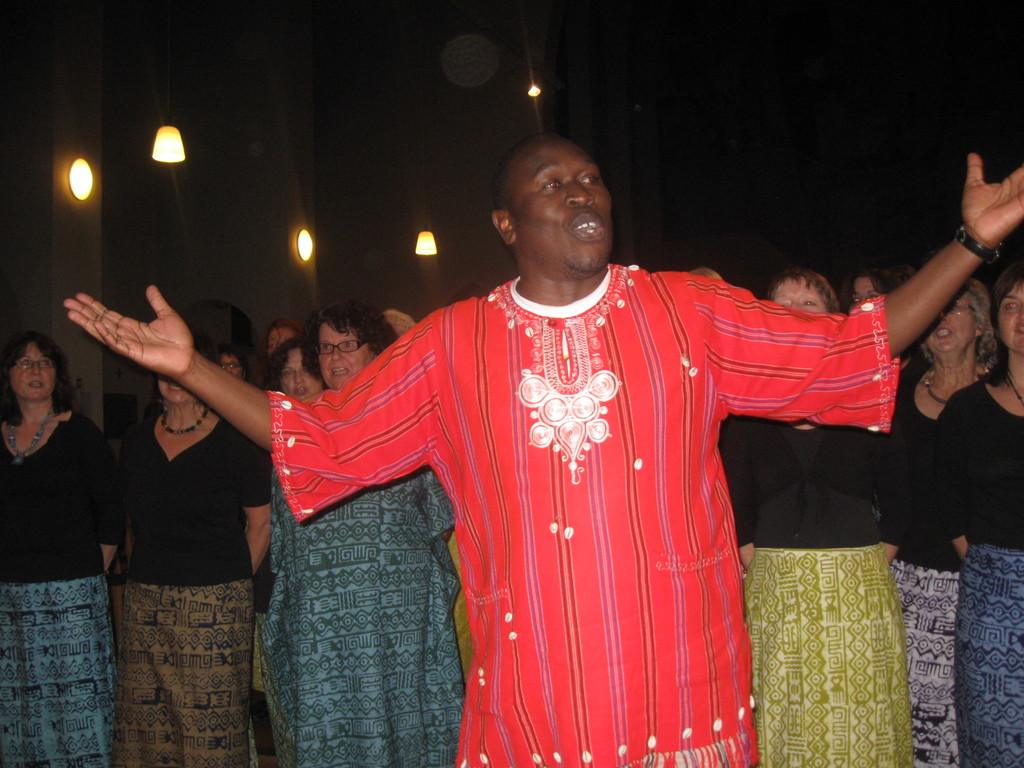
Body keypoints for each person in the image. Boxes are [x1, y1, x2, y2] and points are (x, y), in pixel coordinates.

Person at [65, 135, 1024, 768]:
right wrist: (194, 369)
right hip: (532, 718)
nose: (582, 190)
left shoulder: (687, 312)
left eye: (591, 176)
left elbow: (856, 344)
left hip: (682, 712)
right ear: (505, 223)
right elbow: (318, 435)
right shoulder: (447, 347)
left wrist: (966, 244)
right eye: (552, 182)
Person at [721, 268, 913, 767]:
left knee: (862, 728)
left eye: (807, 303)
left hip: (858, 594)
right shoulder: (744, 405)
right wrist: (756, 558)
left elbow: (901, 494)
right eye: (780, 302)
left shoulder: (865, 393)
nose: (791, 310)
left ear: (833, 321)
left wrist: (864, 565)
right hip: (776, 593)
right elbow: (732, 496)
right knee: (785, 724)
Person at [258, 300, 463, 768]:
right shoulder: (300, 427)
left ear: (376, 350)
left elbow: (439, 512)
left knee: (402, 719)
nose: (335, 358)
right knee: (328, 721)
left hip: (396, 609)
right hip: (321, 612)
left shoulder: (410, 417)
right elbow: (285, 534)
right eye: (326, 348)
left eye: (348, 345)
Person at [113, 335, 271, 768]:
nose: (173, 380)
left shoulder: (236, 438)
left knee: (209, 731)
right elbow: (131, 526)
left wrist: (229, 587)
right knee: (147, 728)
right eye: (164, 371)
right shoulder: (138, 439)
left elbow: (260, 524)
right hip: (147, 602)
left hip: (214, 604)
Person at [0, 331, 123, 768]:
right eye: (24, 362)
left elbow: (111, 507)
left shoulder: (80, 432)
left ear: (58, 375)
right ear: (8, 375)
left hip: (72, 590)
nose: (35, 370)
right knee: (22, 702)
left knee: (76, 699)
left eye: (45, 362)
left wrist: (94, 568)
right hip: (11, 594)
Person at [891, 279, 994, 768]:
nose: (943, 321)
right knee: (920, 713)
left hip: (981, 575)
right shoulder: (899, 393)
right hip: (911, 580)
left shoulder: (1004, 395)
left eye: (957, 310)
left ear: (980, 323)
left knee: (981, 708)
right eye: (936, 313)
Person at [935, 261, 1024, 768]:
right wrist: (993, 569)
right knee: (995, 740)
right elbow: (950, 505)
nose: (1022, 317)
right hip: (994, 598)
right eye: (1011, 305)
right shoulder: (968, 409)